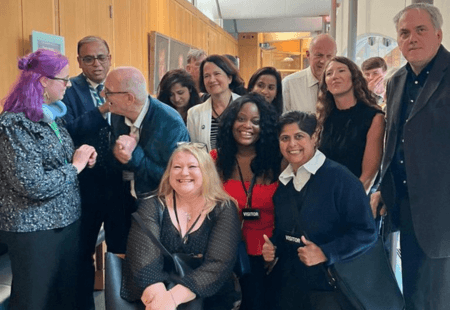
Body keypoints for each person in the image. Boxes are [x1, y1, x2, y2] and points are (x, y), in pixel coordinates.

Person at [0, 49, 97, 310]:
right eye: (63, 79)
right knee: (34, 300)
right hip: (35, 229)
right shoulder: (14, 124)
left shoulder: (51, 116)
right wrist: (75, 168)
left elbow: (59, 161)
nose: (68, 84)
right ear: (43, 81)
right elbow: (31, 184)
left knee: (62, 298)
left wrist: (81, 157)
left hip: (64, 222)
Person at [372, 4, 450, 309]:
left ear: (438, 34)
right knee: (413, 293)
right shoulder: (397, 80)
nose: (412, 39)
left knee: (436, 297)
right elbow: (393, 141)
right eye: (404, 33)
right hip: (405, 205)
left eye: (420, 30)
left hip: (442, 211)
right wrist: (381, 187)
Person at [262, 111, 377, 310]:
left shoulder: (341, 180)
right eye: (285, 138)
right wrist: (273, 246)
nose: (292, 145)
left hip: (332, 288)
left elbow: (367, 233)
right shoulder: (283, 185)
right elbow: (286, 233)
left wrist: (326, 253)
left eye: (299, 136)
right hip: (291, 288)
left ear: (314, 137)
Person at [121, 143, 241, 310]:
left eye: (192, 166)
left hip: (209, 299)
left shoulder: (224, 208)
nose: (184, 172)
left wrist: (172, 299)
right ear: (169, 172)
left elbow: (219, 263)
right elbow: (143, 256)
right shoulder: (151, 205)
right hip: (154, 293)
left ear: (206, 171)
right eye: (177, 167)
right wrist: (160, 299)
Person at [62, 36, 129, 306]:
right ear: (79, 61)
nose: (96, 64)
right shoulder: (68, 90)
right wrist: (102, 110)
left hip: (119, 184)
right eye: (88, 58)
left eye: (101, 57)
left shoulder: (122, 86)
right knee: (81, 253)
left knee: (120, 251)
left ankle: (121, 303)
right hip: (83, 186)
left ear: (110, 58)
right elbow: (68, 129)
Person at [212, 93, 281, 310]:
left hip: (270, 256)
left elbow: (292, 210)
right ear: (230, 122)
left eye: (256, 121)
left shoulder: (279, 161)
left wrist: (279, 248)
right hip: (227, 256)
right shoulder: (215, 160)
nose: (247, 126)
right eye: (241, 119)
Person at [106, 66, 190, 201]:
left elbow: (177, 177)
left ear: (129, 99)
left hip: (158, 204)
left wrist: (134, 155)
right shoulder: (117, 115)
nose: (102, 95)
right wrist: (117, 153)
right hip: (123, 199)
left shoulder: (171, 124)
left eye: (108, 92)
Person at [317, 56, 385, 193]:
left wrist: (349, 202)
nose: (334, 76)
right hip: (325, 195)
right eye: (329, 74)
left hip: (356, 196)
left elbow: (368, 175)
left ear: (354, 78)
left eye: (341, 71)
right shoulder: (323, 118)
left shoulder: (374, 117)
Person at [187, 55, 246, 151]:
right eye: (207, 76)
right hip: (207, 165)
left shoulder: (245, 107)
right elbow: (194, 152)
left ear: (229, 78)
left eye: (217, 74)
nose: (212, 80)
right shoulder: (194, 113)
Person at [282, 34, 336, 113]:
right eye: (319, 55)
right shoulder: (289, 84)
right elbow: (282, 121)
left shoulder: (341, 85)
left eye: (329, 56)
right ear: (308, 55)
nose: (323, 61)